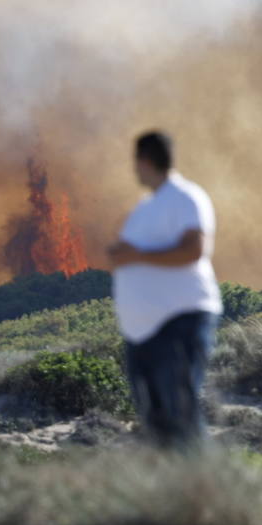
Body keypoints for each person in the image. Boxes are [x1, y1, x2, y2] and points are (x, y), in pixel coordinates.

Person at [107, 131, 223, 448]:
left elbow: (194, 249)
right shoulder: (145, 209)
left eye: (136, 163)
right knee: (156, 423)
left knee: (180, 415)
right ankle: (171, 490)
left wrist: (137, 256)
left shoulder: (186, 197)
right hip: (143, 333)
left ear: (145, 162)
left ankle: (204, 489)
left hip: (179, 321)